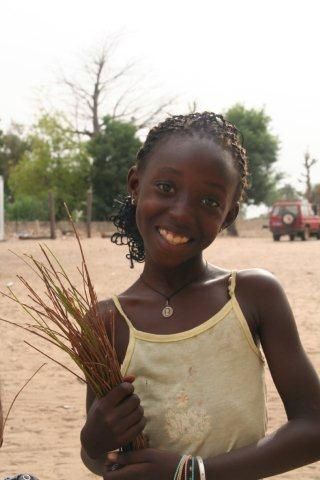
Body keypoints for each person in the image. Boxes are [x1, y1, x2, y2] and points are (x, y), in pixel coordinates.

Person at [80, 112, 320, 479]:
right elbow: (102, 459)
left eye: (209, 202)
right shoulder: (107, 322)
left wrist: (193, 473)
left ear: (228, 216)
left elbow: (313, 427)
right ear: (135, 184)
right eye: (166, 188)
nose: (181, 212)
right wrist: (93, 442)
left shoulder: (251, 296)